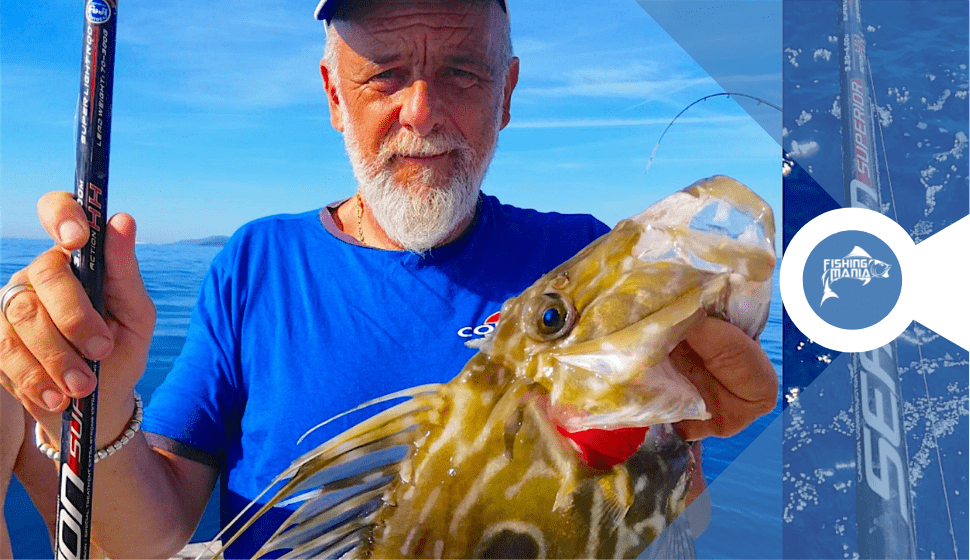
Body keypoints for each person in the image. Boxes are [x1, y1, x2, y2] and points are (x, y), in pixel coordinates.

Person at [0, 0, 778, 557]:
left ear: (506, 95)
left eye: (463, 73)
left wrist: (687, 432)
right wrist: (93, 413)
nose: (422, 110)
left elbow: (651, 512)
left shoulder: (574, 252)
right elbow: (149, 536)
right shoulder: (257, 261)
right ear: (336, 97)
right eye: (384, 76)